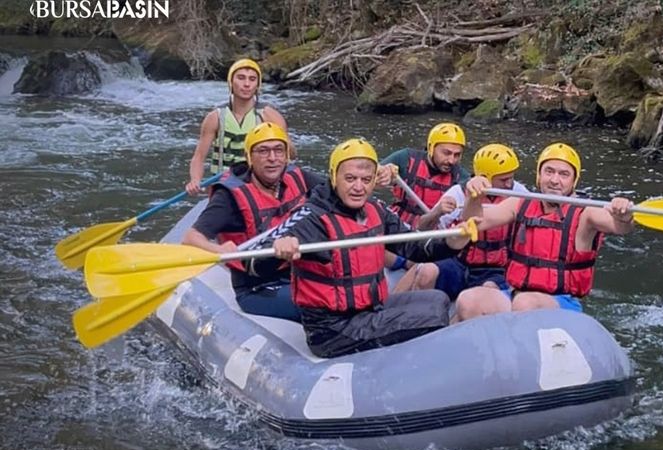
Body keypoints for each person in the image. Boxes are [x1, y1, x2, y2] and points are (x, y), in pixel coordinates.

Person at [245, 138, 472, 358]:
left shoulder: (375, 209)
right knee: (431, 317)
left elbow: (416, 248)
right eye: (350, 178)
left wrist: (453, 243)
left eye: (366, 179)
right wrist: (278, 249)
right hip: (332, 330)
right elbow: (252, 262)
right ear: (334, 177)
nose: (358, 187)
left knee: (437, 300)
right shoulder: (311, 217)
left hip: (368, 310)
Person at [452, 142, 635, 321]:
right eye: (549, 172)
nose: (555, 180)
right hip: (515, 295)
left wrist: (624, 216)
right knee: (469, 300)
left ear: (574, 181)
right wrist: (473, 196)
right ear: (539, 176)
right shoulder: (520, 203)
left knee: (524, 303)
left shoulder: (586, 212)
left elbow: (620, 228)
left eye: (564, 174)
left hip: (562, 303)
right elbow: (474, 221)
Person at [182, 122, 326, 321]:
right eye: (263, 151)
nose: (272, 158)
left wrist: (374, 176)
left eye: (278, 150)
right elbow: (190, 238)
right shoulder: (229, 197)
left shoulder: (298, 176)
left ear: (286, 155)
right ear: (249, 157)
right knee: (325, 304)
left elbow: (338, 192)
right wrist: (219, 250)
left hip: (301, 272)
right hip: (258, 287)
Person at [393, 143, 528, 299]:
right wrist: (437, 212)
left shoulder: (519, 192)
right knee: (425, 271)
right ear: (486, 177)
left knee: (488, 289)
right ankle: (411, 314)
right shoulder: (458, 192)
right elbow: (427, 231)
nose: (509, 184)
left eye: (511, 178)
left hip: (495, 268)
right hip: (459, 261)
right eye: (504, 179)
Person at [186, 58, 294, 195]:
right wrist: (195, 180)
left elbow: (288, 156)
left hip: (257, 188)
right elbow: (199, 157)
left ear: (258, 85)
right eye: (241, 78)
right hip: (223, 188)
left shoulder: (270, 116)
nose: (247, 84)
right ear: (231, 82)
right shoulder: (215, 118)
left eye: (252, 79)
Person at [379, 122, 466, 230]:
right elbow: (370, 173)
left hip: (431, 230)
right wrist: (384, 173)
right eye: (446, 153)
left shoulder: (461, 177)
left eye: (457, 155)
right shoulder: (406, 158)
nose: (451, 160)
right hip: (398, 225)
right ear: (431, 148)